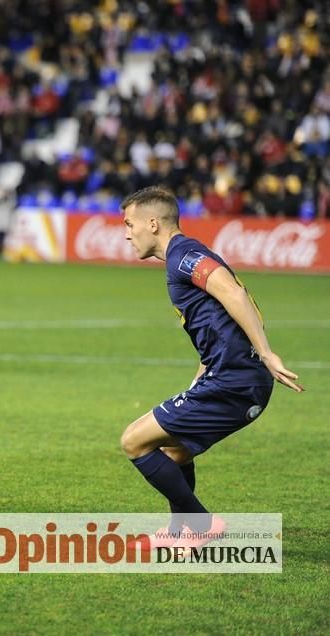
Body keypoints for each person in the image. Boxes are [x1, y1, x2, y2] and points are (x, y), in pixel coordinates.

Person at [118, 186, 302, 550]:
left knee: (133, 441)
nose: (126, 232)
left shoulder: (183, 255)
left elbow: (233, 293)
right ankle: (177, 536)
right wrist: (203, 370)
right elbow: (217, 321)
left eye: (129, 223)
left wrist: (267, 353)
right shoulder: (184, 256)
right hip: (234, 379)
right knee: (174, 452)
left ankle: (200, 525)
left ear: (152, 223)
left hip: (237, 380)